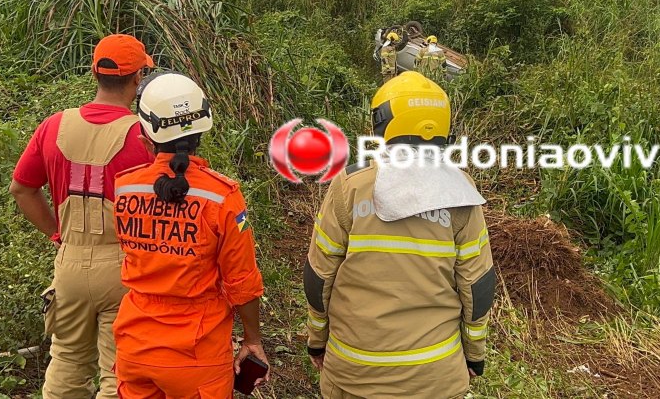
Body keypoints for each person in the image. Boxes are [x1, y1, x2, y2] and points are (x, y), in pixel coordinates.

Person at [304, 71, 495, 399]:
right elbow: (478, 288)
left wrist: (317, 340)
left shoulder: (351, 185)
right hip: (435, 378)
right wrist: (474, 355)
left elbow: (318, 278)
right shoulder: (462, 191)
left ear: (381, 122)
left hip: (353, 374)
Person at [10, 34, 156, 399]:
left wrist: (56, 234)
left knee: (68, 363)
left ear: (95, 72)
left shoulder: (53, 125)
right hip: (125, 267)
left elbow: (22, 189)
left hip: (70, 266)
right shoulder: (144, 136)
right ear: (138, 78)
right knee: (118, 372)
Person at [112, 71, 268, 399]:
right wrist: (252, 340)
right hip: (197, 354)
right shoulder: (222, 196)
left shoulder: (124, 187)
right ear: (202, 130)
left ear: (145, 137)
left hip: (134, 347)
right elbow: (241, 281)